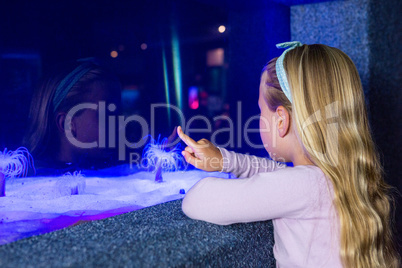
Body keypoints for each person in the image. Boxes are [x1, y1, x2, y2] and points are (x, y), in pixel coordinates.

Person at [177, 42, 399, 267]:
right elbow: (280, 174)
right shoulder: (342, 176)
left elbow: (196, 199)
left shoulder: (304, 186)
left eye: (260, 110)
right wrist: (222, 160)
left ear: (281, 120)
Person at [23, 60, 121, 173]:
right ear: (66, 124)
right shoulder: (34, 184)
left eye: (118, 115)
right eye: (106, 115)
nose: (119, 125)